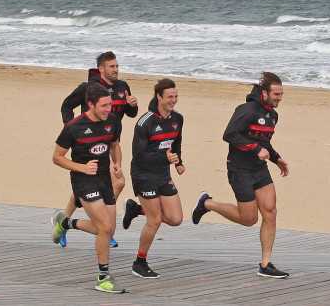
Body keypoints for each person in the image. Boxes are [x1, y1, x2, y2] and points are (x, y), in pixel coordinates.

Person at [190, 72, 290, 279]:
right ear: (264, 93)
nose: (280, 98)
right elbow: (230, 134)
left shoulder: (273, 115)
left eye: (282, 94)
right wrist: (255, 149)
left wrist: (276, 158)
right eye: (276, 94)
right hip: (239, 169)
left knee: (270, 211)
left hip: (259, 169)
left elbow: (264, 142)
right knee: (249, 218)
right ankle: (207, 204)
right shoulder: (246, 110)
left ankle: (266, 264)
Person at [56, 51, 138, 247]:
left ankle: (70, 221)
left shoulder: (122, 87)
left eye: (117, 66)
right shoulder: (88, 88)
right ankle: (100, 227)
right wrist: (73, 130)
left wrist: (132, 105)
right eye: (112, 66)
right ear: (101, 69)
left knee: (107, 185)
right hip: (87, 146)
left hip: (111, 142)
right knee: (113, 183)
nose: (116, 70)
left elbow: (131, 114)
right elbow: (66, 106)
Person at [51, 82, 125, 293]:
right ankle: (103, 277)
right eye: (104, 106)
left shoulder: (112, 122)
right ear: (90, 104)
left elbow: (114, 145)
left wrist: (117, 164)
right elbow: (57, 157)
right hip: (83, 180)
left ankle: (66, 222)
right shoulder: (73, 127)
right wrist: (81, 167)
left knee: (108, 229)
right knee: (103, 227)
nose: (108, 110)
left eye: (110, 105)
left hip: (104, 178)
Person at [119, 78, 185, 279]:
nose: (173, 100)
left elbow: (177, 141)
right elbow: (139, 156)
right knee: (154, 219)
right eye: (169, 97)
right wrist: (163, 157)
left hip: (163, 174)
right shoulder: (145, 122)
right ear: (159, 96)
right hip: (143, 174)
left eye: (175, 96)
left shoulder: (178, 119)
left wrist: (179, 161)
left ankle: (135, 209)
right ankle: (139, 262)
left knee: (176, 219)